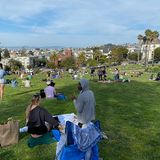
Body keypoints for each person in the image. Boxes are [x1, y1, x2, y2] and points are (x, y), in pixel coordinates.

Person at [71, 78, 96, 160]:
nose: (78, 86)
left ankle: (86, 158)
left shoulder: (82, 95)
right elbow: (91, 104)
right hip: (90, 119)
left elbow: (79, 109)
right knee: (88, 141)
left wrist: (74, 100)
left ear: (83, 85)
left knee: (85, 144)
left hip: (84, 122)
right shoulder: (90, 92)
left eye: (79, 84)